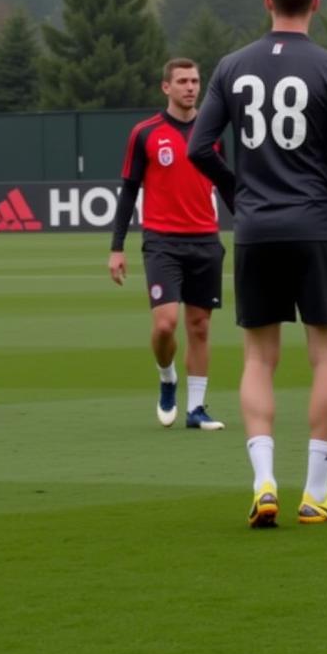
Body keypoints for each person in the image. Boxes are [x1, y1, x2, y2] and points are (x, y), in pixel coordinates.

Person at [188, 0, 327, 528]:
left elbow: (202, 148)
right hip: (316, 226)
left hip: (255, 231)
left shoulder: (230, 66)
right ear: (316, 4)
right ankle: (316, 492)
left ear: (267, 1)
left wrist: (241, 194)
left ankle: (264, 482)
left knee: (258, 357)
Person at [109, 58, 231, 430]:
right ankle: (167, 377)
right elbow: (129, 190)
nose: (190, 87)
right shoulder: (144, 133)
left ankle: (196, 409)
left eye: (195, 80)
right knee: (165, 325)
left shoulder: (212, 134)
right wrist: (117, 247)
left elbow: (226, 185)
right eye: (182, 81)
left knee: (199, 326)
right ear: (166, 87)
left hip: (206, 240)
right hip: (162, 241)